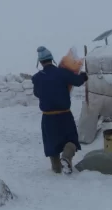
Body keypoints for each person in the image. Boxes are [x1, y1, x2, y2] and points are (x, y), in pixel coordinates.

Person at [31, 46, 88, 174]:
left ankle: (56, 169)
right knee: (71, 140)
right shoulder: (62, 73)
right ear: (52, 59)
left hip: (48, 118)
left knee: (52, 145)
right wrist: (84, 76)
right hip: (64, 116)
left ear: (40, 62)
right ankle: (66, 158)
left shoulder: (37, 78)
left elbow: (37, 94)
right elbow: (78, 81)